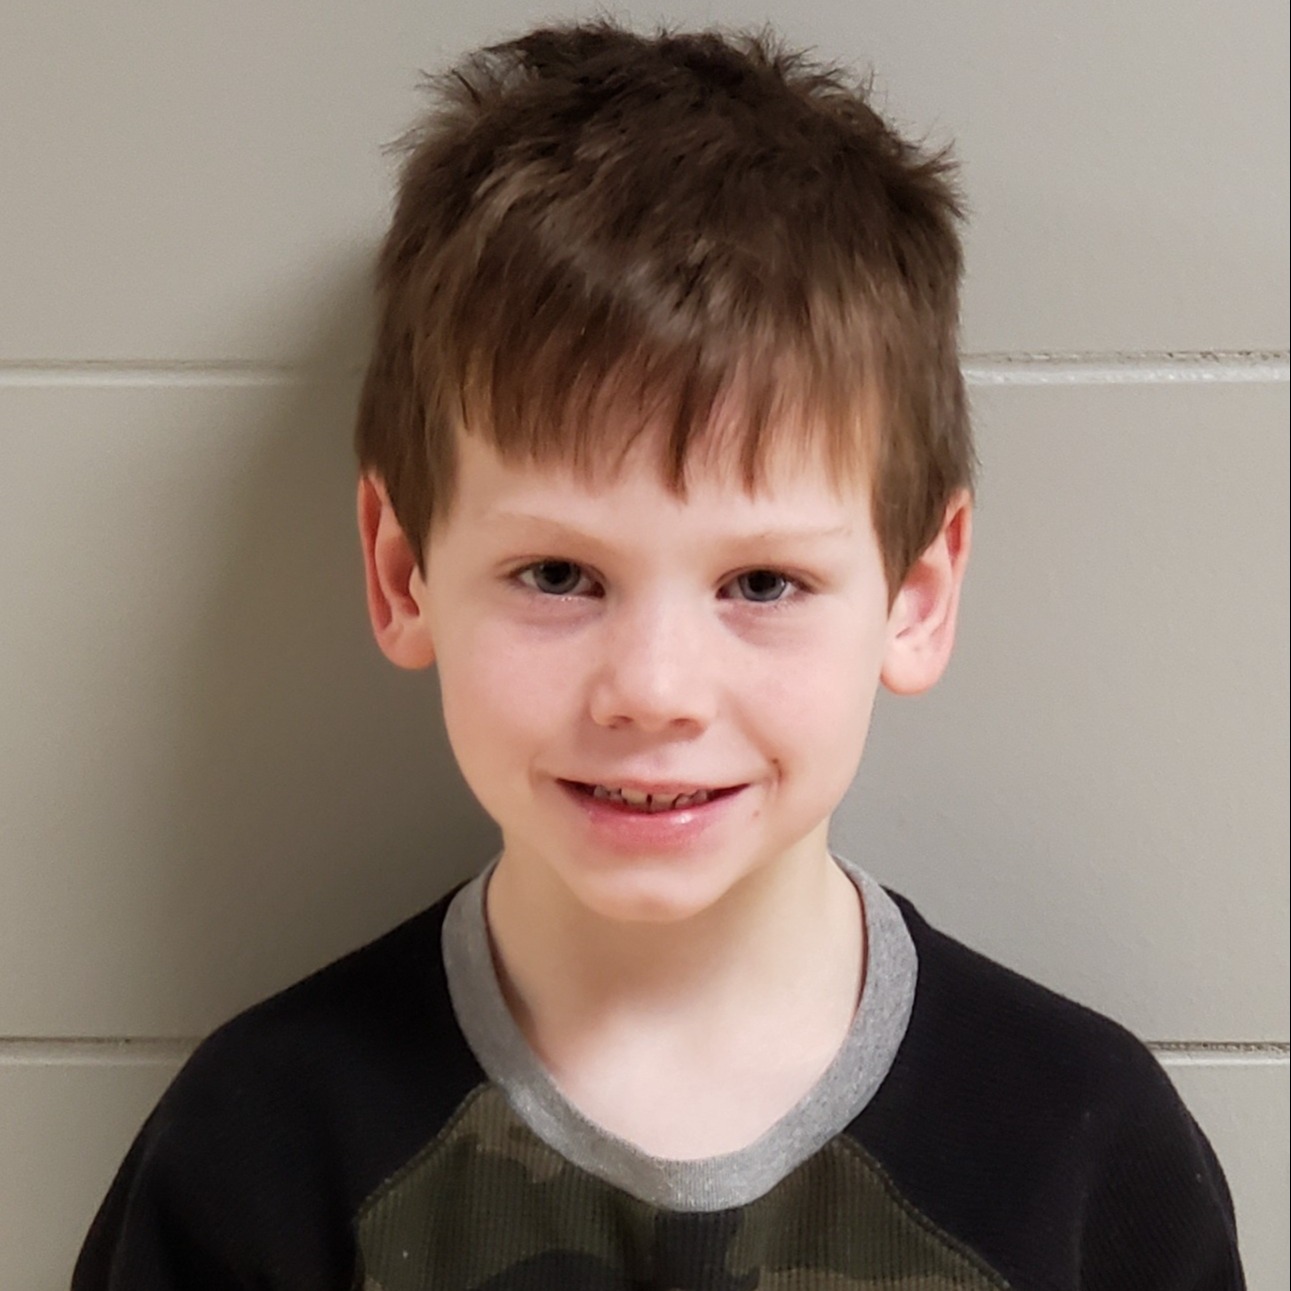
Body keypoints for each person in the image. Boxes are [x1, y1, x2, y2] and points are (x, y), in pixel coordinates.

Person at [73, 19, 1244, 1289]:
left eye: (761, 582)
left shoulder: (1083, 1150)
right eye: (559, 575)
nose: (654, 690)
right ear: (404, 572)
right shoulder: (258, 1150)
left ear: (915, 593)